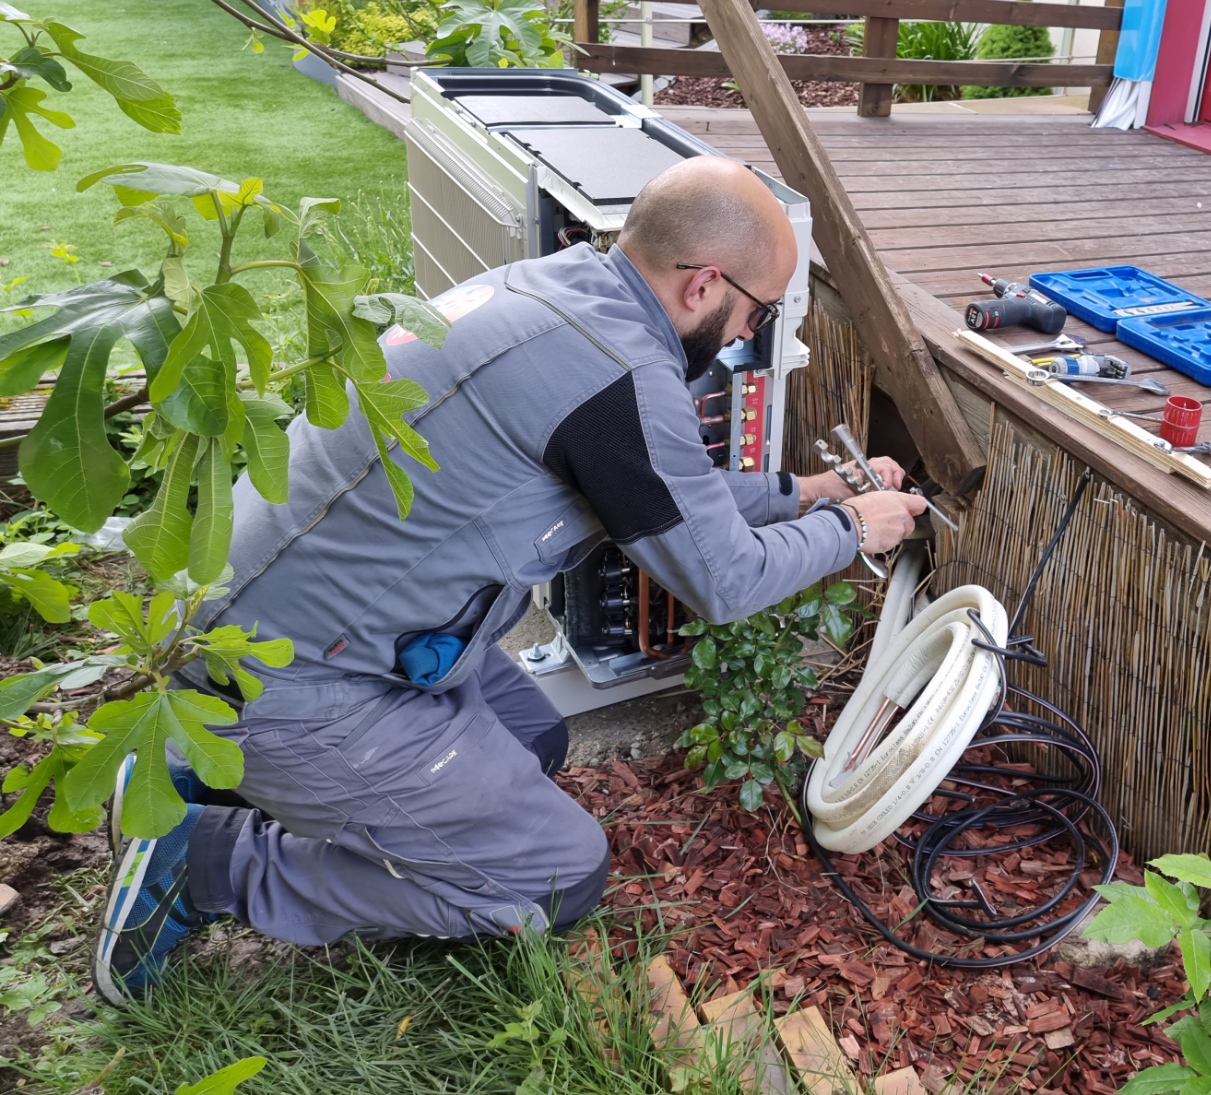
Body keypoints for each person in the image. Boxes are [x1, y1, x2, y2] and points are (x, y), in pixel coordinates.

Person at [93, 156, 927, 1003]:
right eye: (759, 310)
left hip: (269, 611)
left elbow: (670, 497)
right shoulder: (623, 377)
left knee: (535, 736)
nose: (752, 334)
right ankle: (204, 863)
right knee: (556, 878)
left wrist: (807, 493)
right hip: (301, 676)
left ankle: (189, 765)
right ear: (705, 284)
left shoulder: (560, 289)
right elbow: (725, 578)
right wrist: (855, 527)